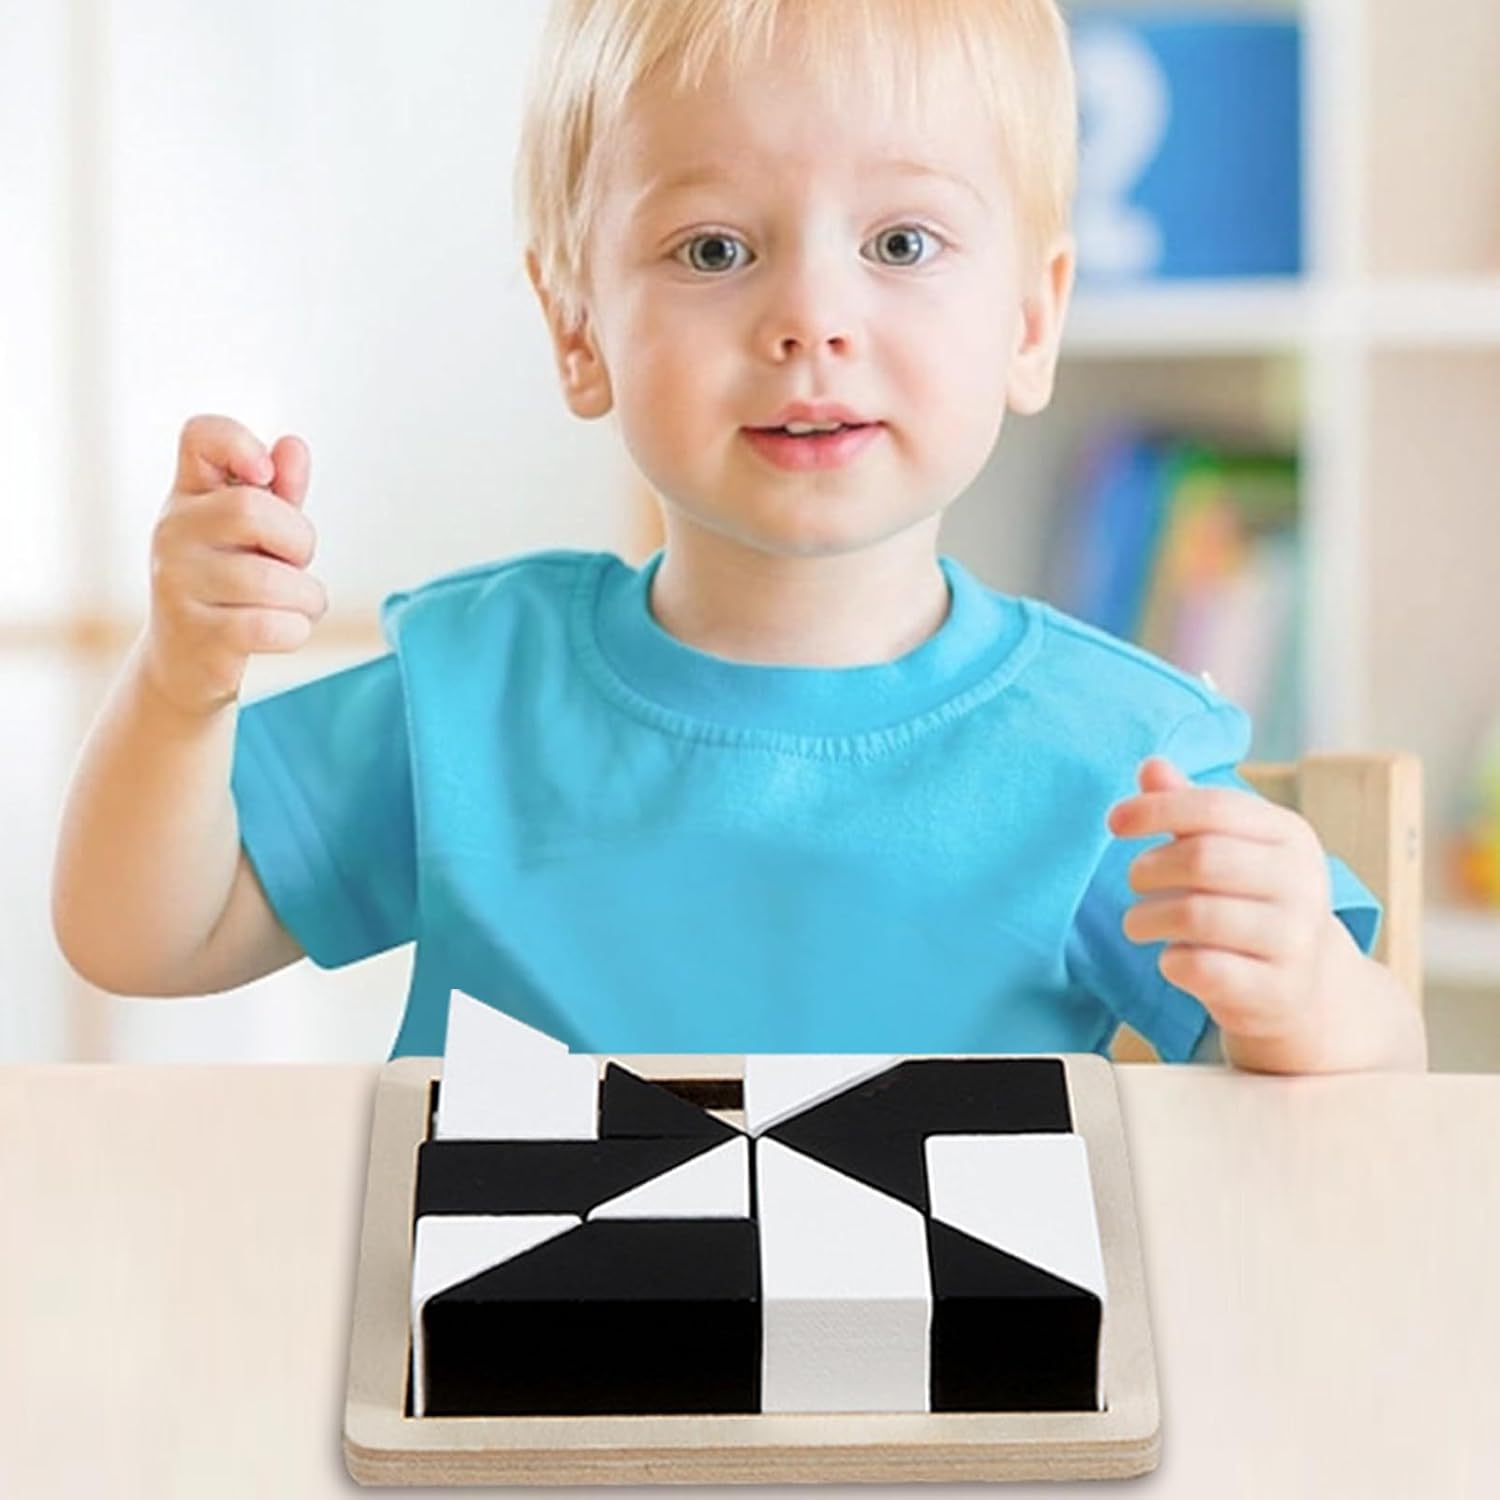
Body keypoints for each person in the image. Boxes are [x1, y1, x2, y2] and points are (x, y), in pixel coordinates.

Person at [51, 0, 1426, 1074]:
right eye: (715, 250)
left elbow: (1372, 1083)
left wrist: (1307, 992)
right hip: (515, 1357)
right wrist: (183, 685)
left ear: (1030, 319)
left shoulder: (1106, 757)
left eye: (901, 244)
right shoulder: (472, 691)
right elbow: (142, 937)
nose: (811, 317)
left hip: (943, 1367)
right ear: (578, 329)